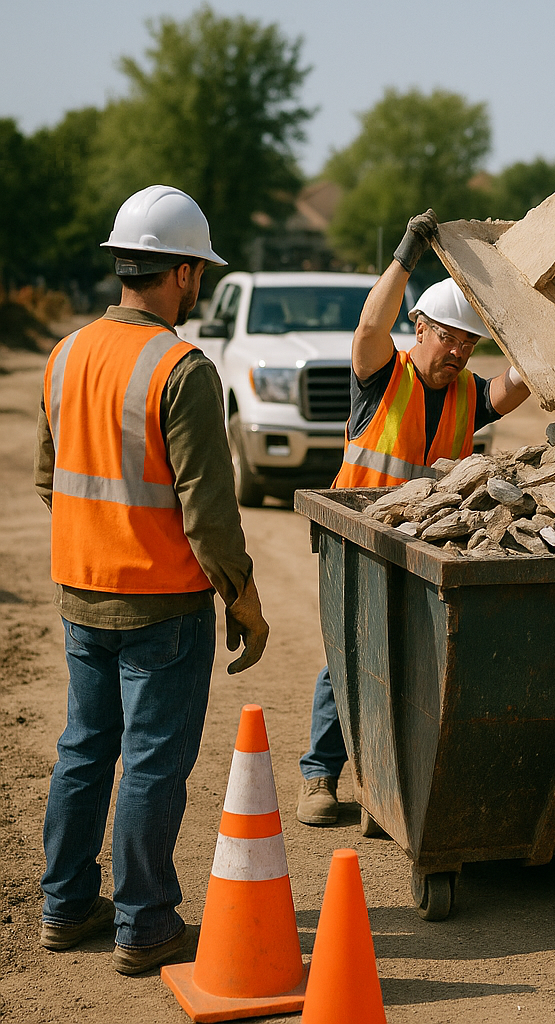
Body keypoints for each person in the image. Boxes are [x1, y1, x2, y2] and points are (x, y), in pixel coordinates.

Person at [34, 185, 270, 973]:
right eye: (197, 269)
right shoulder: (181, 367)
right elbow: (208, 512)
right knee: (154, 761)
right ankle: (144, 925)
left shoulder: (65, 354)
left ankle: (65, 907)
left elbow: (51, 478)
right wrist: (242, 597)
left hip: (80, 590)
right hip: (161, 606)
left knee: (83, 750)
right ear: (184, 273)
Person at [296, 209, 531, 825]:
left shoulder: (466, 394)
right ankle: (319, 775)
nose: (457, 350)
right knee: (350, 651)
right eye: (447, 336)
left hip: (426, 542)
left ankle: (388, 777)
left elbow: (522, 379)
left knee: (416, 660)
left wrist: (535, 309)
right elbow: (371, 323)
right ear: (419, 327)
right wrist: (406, 249)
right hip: (359, 533)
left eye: (468, 341)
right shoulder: (379, 375)